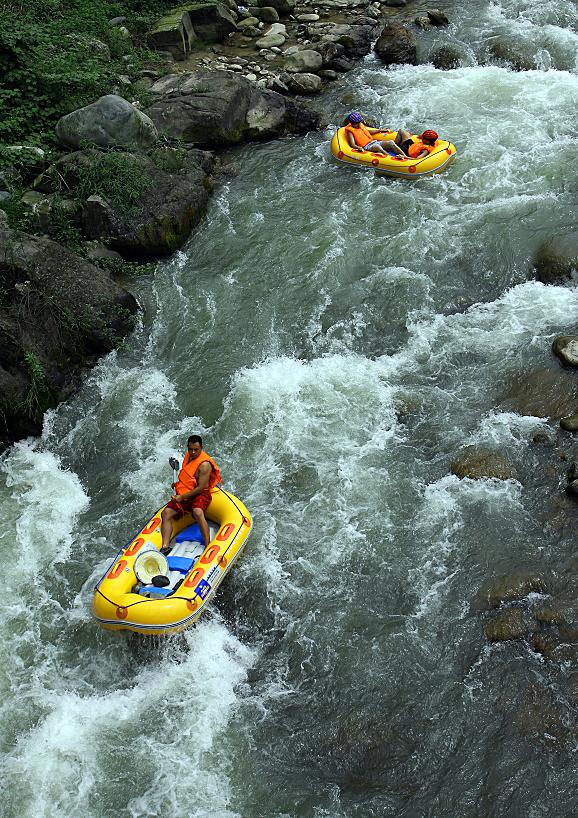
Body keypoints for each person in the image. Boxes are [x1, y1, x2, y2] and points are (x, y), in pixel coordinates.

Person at [161, 435, 222, 549]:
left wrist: (181, 497)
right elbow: (188, 476)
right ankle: (165, 546)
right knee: (166, 513)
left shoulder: (204, 465)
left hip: (200, 493)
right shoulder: (188, 456)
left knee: (197, 512)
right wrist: (178, 485)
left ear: (201, 448)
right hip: (187, 492)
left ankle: (208, 544)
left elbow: (201, 487)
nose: (193, 452)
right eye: (190, 449)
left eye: (196, 450)